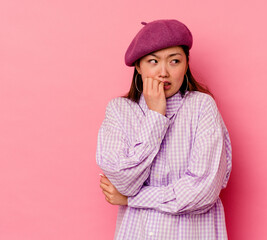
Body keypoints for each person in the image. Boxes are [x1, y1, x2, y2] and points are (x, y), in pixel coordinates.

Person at [96, 19, 232, 240]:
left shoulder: (202, 106)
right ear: (139, 67)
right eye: (153, 61)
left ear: (186, 64)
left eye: (174, 61)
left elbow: (202, 191)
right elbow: (123, 181)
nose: (163, 72)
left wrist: (132, 199)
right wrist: (156, 116)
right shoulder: (119, 111)